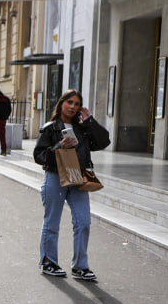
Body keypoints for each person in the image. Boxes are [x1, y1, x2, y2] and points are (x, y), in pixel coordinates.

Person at [33, 89, 111, 281]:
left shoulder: (83, 128)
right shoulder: (50, 128)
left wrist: (90, 120)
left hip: (79, 177)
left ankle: (80, 266)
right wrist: (59, 146)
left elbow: (103, 141)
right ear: (61, 104)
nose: (72, 107)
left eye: (76, 104)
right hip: (55, 176)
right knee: (52, 222)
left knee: (83, 222)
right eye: (69, 103)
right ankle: (49, 262)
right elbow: (39, 155)